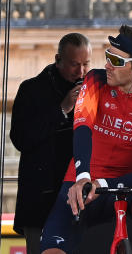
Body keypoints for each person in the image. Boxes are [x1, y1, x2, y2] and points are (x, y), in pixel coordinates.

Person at [40, 26, 132, 254]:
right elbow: (82, 127)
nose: (107, 65)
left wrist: (103, 184)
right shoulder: (95, 79)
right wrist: (84, 177)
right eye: (107, 55)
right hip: (81, 183)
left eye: (116, 60)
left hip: (126, 186)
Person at [10, 33, 92, 254]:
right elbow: (20, 139)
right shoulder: (31, 89)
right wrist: (61, 110)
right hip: (41, 197)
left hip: (81, 197)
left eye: (86, 64)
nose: (81, 72)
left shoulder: (94, 91)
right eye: (74, 65)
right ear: (58, 60)